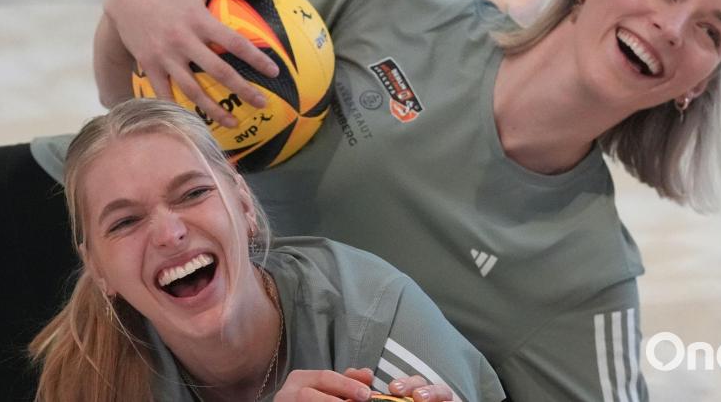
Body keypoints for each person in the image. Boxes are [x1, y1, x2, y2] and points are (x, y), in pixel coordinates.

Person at [0, 0, 721, 401]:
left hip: (139, 363)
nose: (672, 26)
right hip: (48, 209)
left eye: (711, 35)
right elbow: (136, 98)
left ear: (699, 85)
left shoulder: (584, 275)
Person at [30, 98, 504, 402]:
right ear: (99, 270)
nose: (169, 233)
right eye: (126, 221)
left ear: (242, 204)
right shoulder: (92, 369)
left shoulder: (379, 326)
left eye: (193, 193)